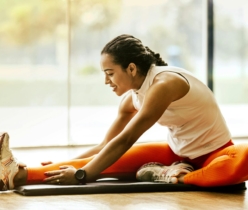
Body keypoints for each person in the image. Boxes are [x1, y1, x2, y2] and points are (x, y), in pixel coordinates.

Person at [1, 34, 248, 191]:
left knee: (244, 157)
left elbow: (127, 139)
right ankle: (13, 174)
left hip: (216, 155)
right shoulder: (131, 99)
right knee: (99, 162)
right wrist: (67, 166)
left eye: (110, 73)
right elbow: (106, 145)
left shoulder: (164, 85)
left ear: (131, 68)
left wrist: (81, 175)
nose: (107, 81)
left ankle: (175, 176)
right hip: (176, 154)